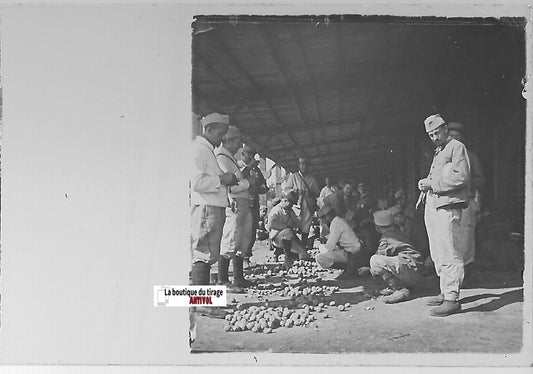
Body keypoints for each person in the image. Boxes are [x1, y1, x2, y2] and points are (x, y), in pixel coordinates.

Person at [418, 114, 470, 317]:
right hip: (434, 203)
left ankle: (452, 299)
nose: (434, 137)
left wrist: (433, 184)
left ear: (445, 128)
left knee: (449, 250)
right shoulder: (439, 151)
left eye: (437, 132)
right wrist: (425, 185)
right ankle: (445, 290)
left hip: (448, 204)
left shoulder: (457, 147)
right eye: (430, 134)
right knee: (438, 250)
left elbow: (461, 176)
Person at [190, 112, 238, 286]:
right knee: (203, 254)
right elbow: (196, 183)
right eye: (220, 133)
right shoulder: (198, 150)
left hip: (212, 208)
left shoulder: (207, 150)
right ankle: (202, 303)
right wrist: (222, 179)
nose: (223, 138)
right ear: (208, 129)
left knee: (209, 254)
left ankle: (202, 302)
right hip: (206, 208)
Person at [215, 126, 256, 290]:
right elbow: (229, 186)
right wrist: (248, 182)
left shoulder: (229, 157)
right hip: (235, 203)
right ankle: (223, 280)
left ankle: (238, 277)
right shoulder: (221, 157)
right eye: (237, 142)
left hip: (243, 202)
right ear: (229, 140)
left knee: (242, 240)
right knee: (231, 240)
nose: (239, 146)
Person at [447, 122, 485, 282]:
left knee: (466, 240)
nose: (455, 139)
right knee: (449, 239)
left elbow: (481, 179)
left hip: (465, 202)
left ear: (462, 138)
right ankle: (451, 278)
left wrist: (465, 182)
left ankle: (466, 275)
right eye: (452, 136)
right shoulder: (444, 155)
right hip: (447, 204)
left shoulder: (470, 156)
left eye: (458, 136)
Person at [364, 210, 423, 303]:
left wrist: (368, 270)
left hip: (410, 270)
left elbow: (379, 259)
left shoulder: (386, 238)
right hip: (414, 269)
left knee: (374, 260)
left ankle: (399, 289)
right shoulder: (397, 231)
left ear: (377, 228)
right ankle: (404, 285)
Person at [239, 143, 269, 269]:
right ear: (242, 154)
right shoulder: (238, 166)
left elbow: (264, 186)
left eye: (252, 154)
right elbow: (236, 179)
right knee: (241, 233)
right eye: (248, 154)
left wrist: (261, 188)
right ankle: (240, 260)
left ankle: (247, 257)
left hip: (254, 203)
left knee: (252, 232)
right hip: (241, 204)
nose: (251, 156)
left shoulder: (256, 170)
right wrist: (248, 168)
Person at [316, 205, 363, 279]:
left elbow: (330, 247)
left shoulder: (335, 223)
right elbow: (336, 235)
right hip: (354, 250)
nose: (323, 222)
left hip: (353, 254)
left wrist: (320, 247)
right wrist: (325, 238)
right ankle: (350, 267)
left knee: (320, 258)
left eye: (322, 219)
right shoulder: (337, 221)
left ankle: (349, 269)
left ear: (327, 217)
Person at [283, 157, 320, 250]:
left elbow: (317, 193)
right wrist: (295, 191)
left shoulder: (312, 178)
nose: (304, 166)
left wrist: (309, 193)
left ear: (308, 167)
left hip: (307, 205)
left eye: (306, 165)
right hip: (296, 205)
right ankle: (293, 249)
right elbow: (286, 190)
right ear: (299, 165)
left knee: (306, 226)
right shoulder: (293, 177)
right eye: (302, 164)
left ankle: (302, 247)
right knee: (294, 225)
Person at [266, 191, 309, 269]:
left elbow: (296, 222)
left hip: (289, 237)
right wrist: (285, 226)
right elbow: (271, 224)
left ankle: (287, 253)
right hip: (276, 237)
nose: (291, 205)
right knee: (288, 232)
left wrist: (300, 226)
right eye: (291, 203)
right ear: (285, 201)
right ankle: (287, 257)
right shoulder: (276, 210)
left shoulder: (289, 210)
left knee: (304, 255)